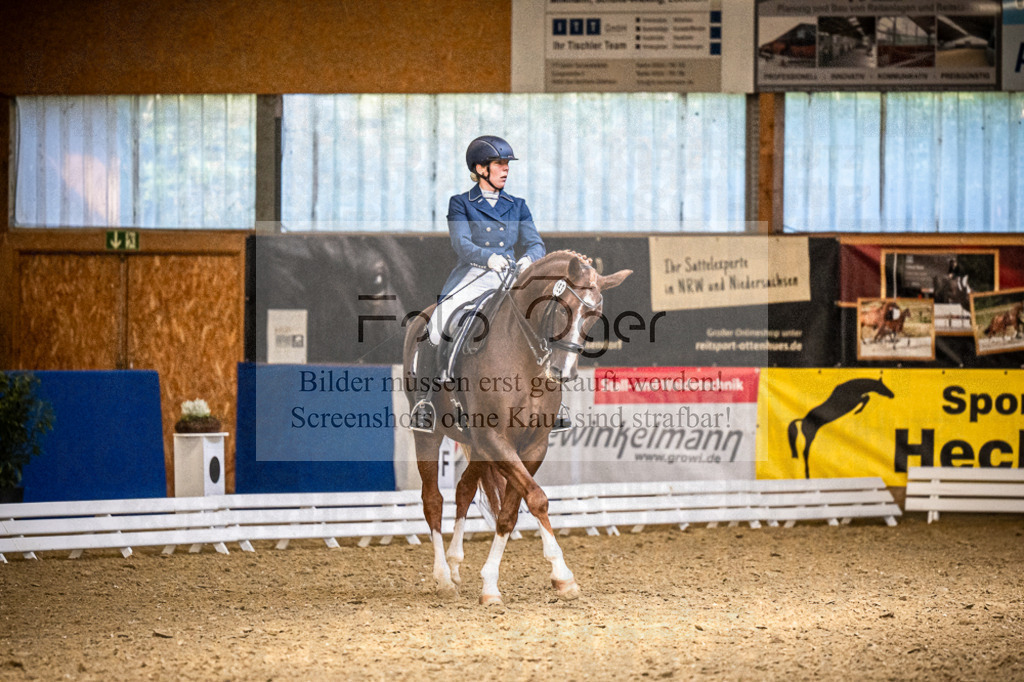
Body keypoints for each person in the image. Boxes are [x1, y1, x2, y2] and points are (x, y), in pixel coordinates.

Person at [410, 135, 569, 433]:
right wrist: (488, 258)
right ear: (481, 168)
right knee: (436, 324)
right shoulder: (460, 204)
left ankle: (554, 405)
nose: (506, 169)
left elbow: (536, 243)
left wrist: (528, 260)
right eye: (500, 164)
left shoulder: (517, 206)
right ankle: (425, 402)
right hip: (473, 274)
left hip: (510, 276)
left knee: (544, 321)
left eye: (507, 164)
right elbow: (461, 243)